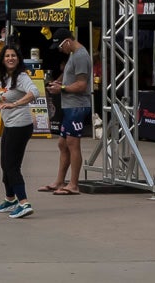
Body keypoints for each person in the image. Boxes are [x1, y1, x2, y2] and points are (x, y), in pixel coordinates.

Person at [0, 45, 41, 219]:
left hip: (20, 126)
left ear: (18, 59)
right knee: (5, 164)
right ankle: (10, 199)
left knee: (12, 166)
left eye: (13, 56)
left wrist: (16, 104)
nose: (10, 58)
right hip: (10, 125)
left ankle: (24, 202)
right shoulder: (4, 77)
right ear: (2, 60)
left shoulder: (21, 76)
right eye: (7, 56)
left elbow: (35, 92)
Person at [40, 28, 92, 195]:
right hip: (70, 106)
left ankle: (74, 184)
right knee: (63, 144)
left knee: (72, 144)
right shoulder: (73, 55)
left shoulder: (81, 56)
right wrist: (58, 81)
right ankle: (60, 181)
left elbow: (82, 84)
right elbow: (68, 73)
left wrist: (61, 88)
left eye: (61, 47)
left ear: (68, 42)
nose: (60, 50)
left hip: (77, 106)